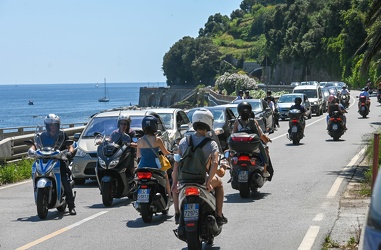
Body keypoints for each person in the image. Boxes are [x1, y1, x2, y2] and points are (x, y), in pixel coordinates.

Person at [171, 109, 228, 226]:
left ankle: (177, 214)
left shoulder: (183, 141)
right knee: (220, 184)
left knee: (176, 189)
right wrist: (208, 181)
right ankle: (219, 215)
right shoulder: (211, 143)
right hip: (201, 179)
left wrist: (175, 181)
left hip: (184, 179)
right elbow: (215, 163)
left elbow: (176, 162)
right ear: (209, 124)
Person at [28, 114, 76, 215]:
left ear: (58, 125)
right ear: (47, 126)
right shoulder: (43, 136)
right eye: (50, 125)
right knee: (36, 170)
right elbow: (35, 145)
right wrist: (31, 150)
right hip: (44, 159)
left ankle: (71, 206)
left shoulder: (62, 135)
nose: (52, 127)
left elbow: (70, 146)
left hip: (59, 160)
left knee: (65, 180)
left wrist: (70, 152)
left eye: (54, 125)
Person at [232, 102, 272, 179]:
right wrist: (267, 140)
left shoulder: (237, 122)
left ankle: (232, 171)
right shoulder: (253, 121)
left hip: (239, 147)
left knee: (229, 154)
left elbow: (233, 134)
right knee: (265, 149)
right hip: (252, 146)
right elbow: (261, 135)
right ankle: (265, 171)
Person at [136, 115, 172, 199]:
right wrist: (172, 153)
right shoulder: (157, 140)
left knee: (138, 180)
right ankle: (169, 196)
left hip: (142, 165)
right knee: (166, 177)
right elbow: (166, 153)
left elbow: (138, 155)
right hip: (155, 165)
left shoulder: (140, 141)